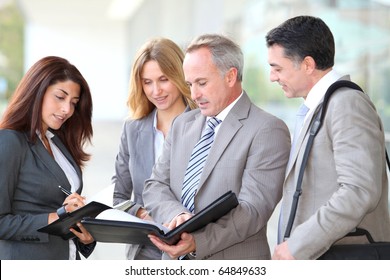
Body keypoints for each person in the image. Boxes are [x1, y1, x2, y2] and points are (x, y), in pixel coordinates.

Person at [141, 33, 291, 260]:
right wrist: (177, 214)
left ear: (230, 76)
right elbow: (155, 185)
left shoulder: (268, 130)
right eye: (190, 84)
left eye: (201, 83)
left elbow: (252, 211)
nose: (194, 94)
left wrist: (196, 242)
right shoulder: (183, 124)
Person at [266, 15, 390, 260]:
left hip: (342, 256)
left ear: (308, 65)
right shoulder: (321, 107)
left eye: (277, 68)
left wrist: (298, 245)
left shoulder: (347, 104)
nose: (272, 77)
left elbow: (358, 190)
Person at [0, 56, 95, 260]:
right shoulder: (10, 141)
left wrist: (86, 237)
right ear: (37, 91)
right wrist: (59, 216)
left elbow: (63, 210)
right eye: (60, 97)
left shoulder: (57, 141)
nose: (67, 110)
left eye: (74, 103)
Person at [112, 37, 197, 260]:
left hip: (194, 250)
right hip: (145, 251)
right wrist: (141, 213)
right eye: (147, 82)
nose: (156, 90)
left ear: (180, 76)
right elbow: (117, 195)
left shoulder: (206, 125)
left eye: (163, 79)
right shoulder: (133, 129)